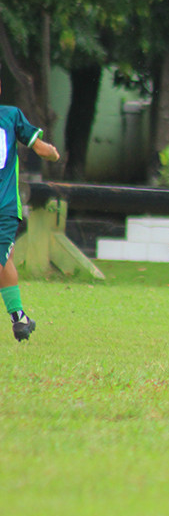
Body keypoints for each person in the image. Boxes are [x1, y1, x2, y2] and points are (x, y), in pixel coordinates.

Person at [0, 70, 61, 341]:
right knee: (4, 259)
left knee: (2, 259)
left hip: (4, 206)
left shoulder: (11, 116)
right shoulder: (11, 115)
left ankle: (19, 320)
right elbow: (42, 149)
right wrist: (53, 153)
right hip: (5, 206)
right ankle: (20, 319)